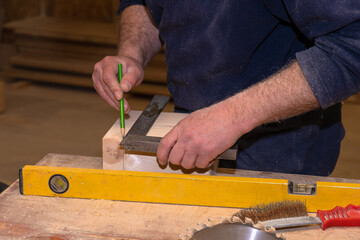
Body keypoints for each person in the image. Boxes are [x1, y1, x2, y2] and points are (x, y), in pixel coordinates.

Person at [92, 0, 360, 176]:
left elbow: (353, 45)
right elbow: (142, 3)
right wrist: (131, 52)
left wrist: (232, 116)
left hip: (280, 142)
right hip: (190, 125)